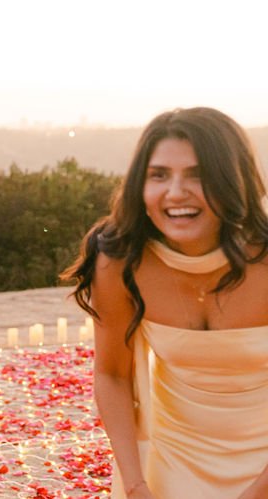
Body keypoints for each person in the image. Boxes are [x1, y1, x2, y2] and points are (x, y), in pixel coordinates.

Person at [62, 107, 268, 499]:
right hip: (174, 462)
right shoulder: (121, 262)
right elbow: (112, 375)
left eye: (197, 174)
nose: (175, 192)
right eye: (159, 175)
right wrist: (136, 485)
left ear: (233, 179)